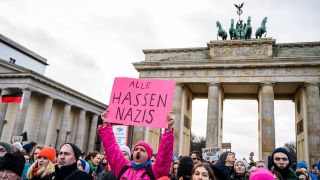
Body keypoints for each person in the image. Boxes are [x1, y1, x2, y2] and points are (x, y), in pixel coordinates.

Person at [98, 110, 174, 179]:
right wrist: (106, 125)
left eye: (142, 150)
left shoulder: (154, 171)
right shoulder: (122, 166)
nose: (138, 151)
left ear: (149, 156)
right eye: (136, 149)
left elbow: (164, 156)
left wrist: (168, 130)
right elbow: (111, 148)